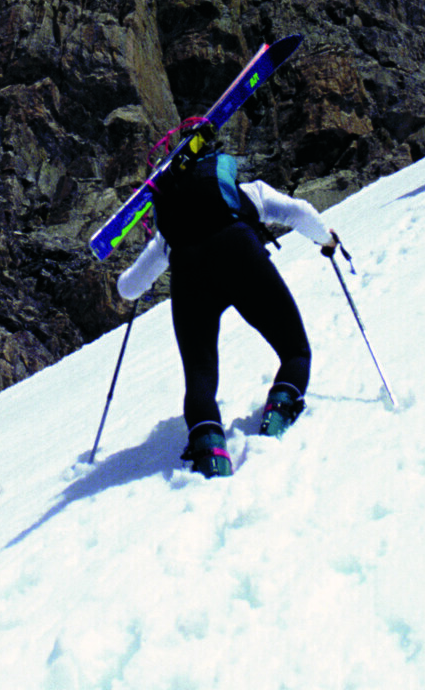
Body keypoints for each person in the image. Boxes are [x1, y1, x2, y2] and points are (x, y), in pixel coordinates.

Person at [117, 147, 343, 478]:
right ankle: (280, 407)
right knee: (295, 351)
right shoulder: (249, 194)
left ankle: (210, 450)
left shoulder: (172, 230)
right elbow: (299, 213)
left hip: (190, 276)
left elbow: (128, 288)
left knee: (200, 377)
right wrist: (327, 239)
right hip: (241, 255)